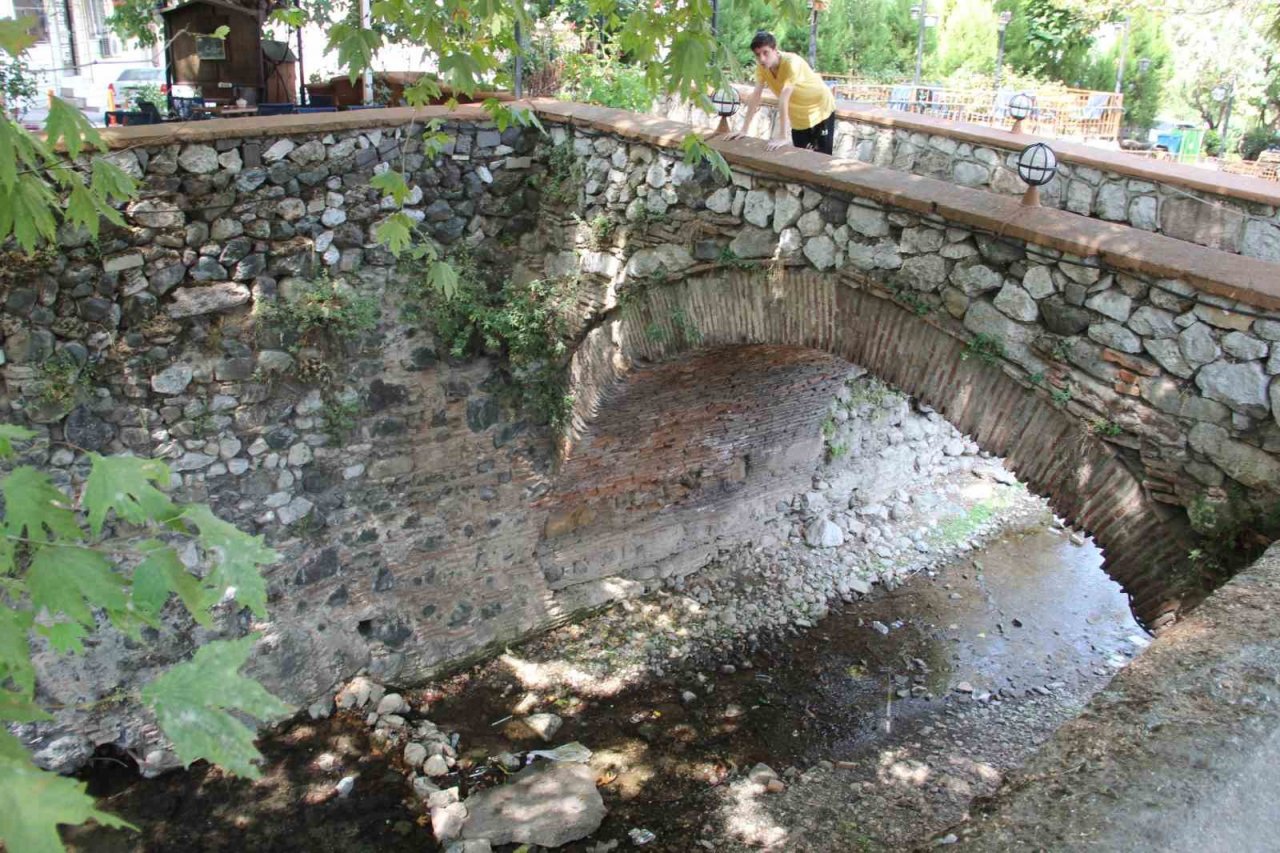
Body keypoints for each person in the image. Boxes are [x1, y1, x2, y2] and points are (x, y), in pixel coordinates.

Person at [730, 31, 837, 155]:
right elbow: (756, 96)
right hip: (798, 117)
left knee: (822, 158)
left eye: (766, 53)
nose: (762, 59)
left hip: (820, 109)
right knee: (800, 158)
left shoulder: (792, 62)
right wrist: (744, 130)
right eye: (757, 55)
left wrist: (783, 136)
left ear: (775, 49)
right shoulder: (761, 67)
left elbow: (784, 96)